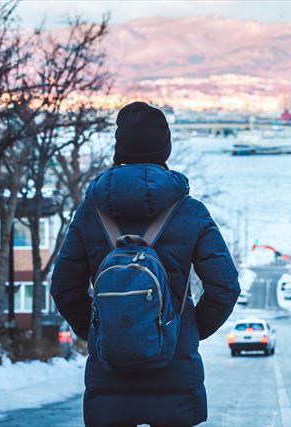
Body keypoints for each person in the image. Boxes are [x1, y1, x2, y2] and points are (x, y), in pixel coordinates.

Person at [51, 101, 240, 427]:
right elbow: (225, 286)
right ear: (164, 148)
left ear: (118, 147)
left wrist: (103, 330)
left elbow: (64, 288)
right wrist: (186, 329)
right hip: (174, 374)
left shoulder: (90, 211)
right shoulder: (189, 211)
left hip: (109, 376)